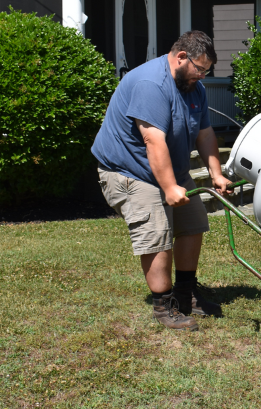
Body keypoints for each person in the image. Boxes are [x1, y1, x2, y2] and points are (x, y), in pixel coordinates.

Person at [92, 30, 232, 332]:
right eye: (199, 69)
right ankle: (163, 305)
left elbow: (205, 133)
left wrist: (216, 173)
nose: (202, 77)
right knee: (158, 232)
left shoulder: (194, 87)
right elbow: (152, 140)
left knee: (193, 223)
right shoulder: (151, 84)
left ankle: (185, 294)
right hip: (130, 170)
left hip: (171, 167)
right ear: (181, 57)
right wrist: (168, 188)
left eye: (207, 71)